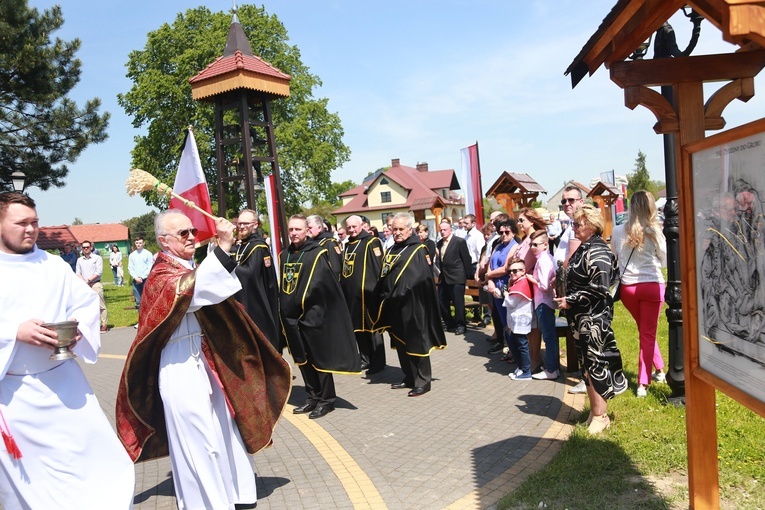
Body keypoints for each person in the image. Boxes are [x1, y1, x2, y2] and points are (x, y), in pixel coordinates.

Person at [116, 210, 291, 509]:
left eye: (192, 231)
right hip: (179, 363)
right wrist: (223, 249)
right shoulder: (160, 273)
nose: (191, 237)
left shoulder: (188, 265)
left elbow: (217, 288)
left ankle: (237, 494)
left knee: (223, 429)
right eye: (182, 233)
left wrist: (219, 255)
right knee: (197, 440)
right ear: (163, 241)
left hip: (205, 359)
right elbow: (192, 291)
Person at [0, 192, 134, 509]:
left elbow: (84, 303)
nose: (31, 229)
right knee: (30, 486)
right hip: (14, 395)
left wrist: (79, 329)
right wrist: (13, 332)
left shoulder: (54, 265)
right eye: (21, 223)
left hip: (65, 385)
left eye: (34, 222)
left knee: (104, 464)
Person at [279, 215, 361, 419]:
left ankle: (326, 400)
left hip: (313, 316)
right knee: (303, 360)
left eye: (298, 229)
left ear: (307, 230)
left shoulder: (317, 253)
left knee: (319, 360)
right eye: (291, 229)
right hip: (292, 318)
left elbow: (321, 285)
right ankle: (312, 396)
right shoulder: (284, 255)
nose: (294, 233)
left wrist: (300, 304)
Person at [555, 204, 628, 434]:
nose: (573, 227)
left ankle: (601, 414)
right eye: (573, 223)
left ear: (592, 226)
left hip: (594, 318)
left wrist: (571, 298)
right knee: (587, 365)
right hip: (581, 318)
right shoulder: (584, 248)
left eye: (577, 224)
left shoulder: (598, 251)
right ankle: (595, 411)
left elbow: (601, 287)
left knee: (596, 364)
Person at [371, 213, 446, 396]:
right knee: (400, 343)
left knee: (416, 343)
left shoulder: (417, 250)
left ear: (410, 230)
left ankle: (423, 381)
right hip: (393, 306)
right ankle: (409, 376)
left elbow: (418, 279)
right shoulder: (392, 249)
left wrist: (397, 294)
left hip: (413, 306)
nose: (397, 232)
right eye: (394, 229)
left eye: (401, 229)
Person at [610, 191, 667, 397]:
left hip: (628, 288)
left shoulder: (617, 231)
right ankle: (643, 382)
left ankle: (659, 369)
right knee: (648, 332)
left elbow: (614, 257)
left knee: (645, 331)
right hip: (652, 285)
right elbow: (665, 261)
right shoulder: (655, 230)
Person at [341, 215, 386, 375]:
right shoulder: (348, 245)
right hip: (352, 297)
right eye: (349, 227)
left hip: (368, 295)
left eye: (354, 227)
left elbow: (377, 267)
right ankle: (365, 358)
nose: (352, 230)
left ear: (362, 226)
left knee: (372, 330)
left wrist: (375, 291)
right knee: (358, 330)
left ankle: (378, 362)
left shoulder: (371, 242)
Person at [233, 209, 281, 351]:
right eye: (239, 223)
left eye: (246, 223)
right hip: (242, 298)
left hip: (256, 300)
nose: (241, 226)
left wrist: (229, 263)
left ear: (255, 225)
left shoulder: (258, 247)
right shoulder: (241, 245)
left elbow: (250, 274)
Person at [555, 185, 587, 394]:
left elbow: (573, 257)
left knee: (582, 333)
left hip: (576, 289)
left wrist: (558, 273)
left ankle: (587, 378)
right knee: (576, 332)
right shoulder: (571, 225)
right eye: (564, 201)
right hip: (571, 289)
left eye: (571, 200)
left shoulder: (579, 225)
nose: (567, 204)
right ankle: (584, 373)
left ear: (581, 202)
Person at [510, 208, 548, 373]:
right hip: (524, 286)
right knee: (529, 325)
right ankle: (531, 357)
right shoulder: (525, 239)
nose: (519, 224)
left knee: (533, 327)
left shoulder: (535, 238)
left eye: (521, 220)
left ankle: (535, 358)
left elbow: (525, 263)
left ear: (531, 221)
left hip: (532, 287)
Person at [526, 230, 560, 380]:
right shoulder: (545, 258)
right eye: (531, 244)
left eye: (536, 244)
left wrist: (530, 278)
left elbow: (544, 286)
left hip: (544, 303)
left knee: (549, 337)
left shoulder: (543, 260)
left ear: (545, 245)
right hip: (543, 302)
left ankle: (552, 369)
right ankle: (552, 367)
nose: (533, 247)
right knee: (549, 336)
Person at [485, 216, 519, 356]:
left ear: (513, 232)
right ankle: (509, 348)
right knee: (503, 321)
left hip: (507, 287)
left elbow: (506, 268)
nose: (504, 235)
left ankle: (514, 351)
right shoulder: (497, 246)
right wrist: (490, 282)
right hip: (496, 288)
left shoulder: (515, 246)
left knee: (511, 321)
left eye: (507, 232)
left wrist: (489, 276)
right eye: (501, 232)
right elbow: (489, 266)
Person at [436, 218, 473, 335]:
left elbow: (466, 259)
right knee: (440, 301)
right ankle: (450, 323)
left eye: (445, 230)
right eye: (440, 230)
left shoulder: (459, 242)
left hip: (457, 277)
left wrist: (468, 277)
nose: (442, 232)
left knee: (458, 303)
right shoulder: (439, 243)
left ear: (450, 230)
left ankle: (461, 325)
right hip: (444, 277)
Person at [503, 258, 534, 380]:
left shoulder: (522, 283)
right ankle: (521, 368)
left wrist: (505, 294)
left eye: (515, 271)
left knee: (522, 345)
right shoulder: (517, 282)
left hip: (521, 318)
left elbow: (511, 302)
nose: (511, 274)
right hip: (515, 318)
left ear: (523, 271)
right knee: (515, 343)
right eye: (510, 271)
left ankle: (526, 371)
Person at [76, 240, 108, 332]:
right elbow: (78, 273)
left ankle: (104, 324)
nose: (85, 249)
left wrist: (89, 280)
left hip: (95, 283)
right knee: (86, 306)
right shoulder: (79, 260)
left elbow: (99, 272)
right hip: (84, 285)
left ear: (91, 248)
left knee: (101, 305)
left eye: (87, 247)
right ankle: (90, 325)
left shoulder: (97, 258)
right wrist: (84, 282)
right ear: (81, 249)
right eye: (84, 247)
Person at [307, 214, 342, 279]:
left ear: (319, 228)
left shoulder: (329, 243)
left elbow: (335, 269)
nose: (308, 230)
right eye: (306, 228)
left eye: (310, 228)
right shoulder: (310, 242)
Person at [128, 236, 153, 310]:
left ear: (143, 243)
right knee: (139, 302)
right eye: (137, 243)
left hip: (145, 280)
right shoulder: (132, 255)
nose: (138, 244)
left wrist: (142, 277)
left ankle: (148, 320)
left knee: (147, 300)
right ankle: (141, 320)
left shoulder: (148, 254)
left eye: (140, 243)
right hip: (136, 280)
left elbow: (150, 267)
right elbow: (130, 268)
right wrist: (135, 277)